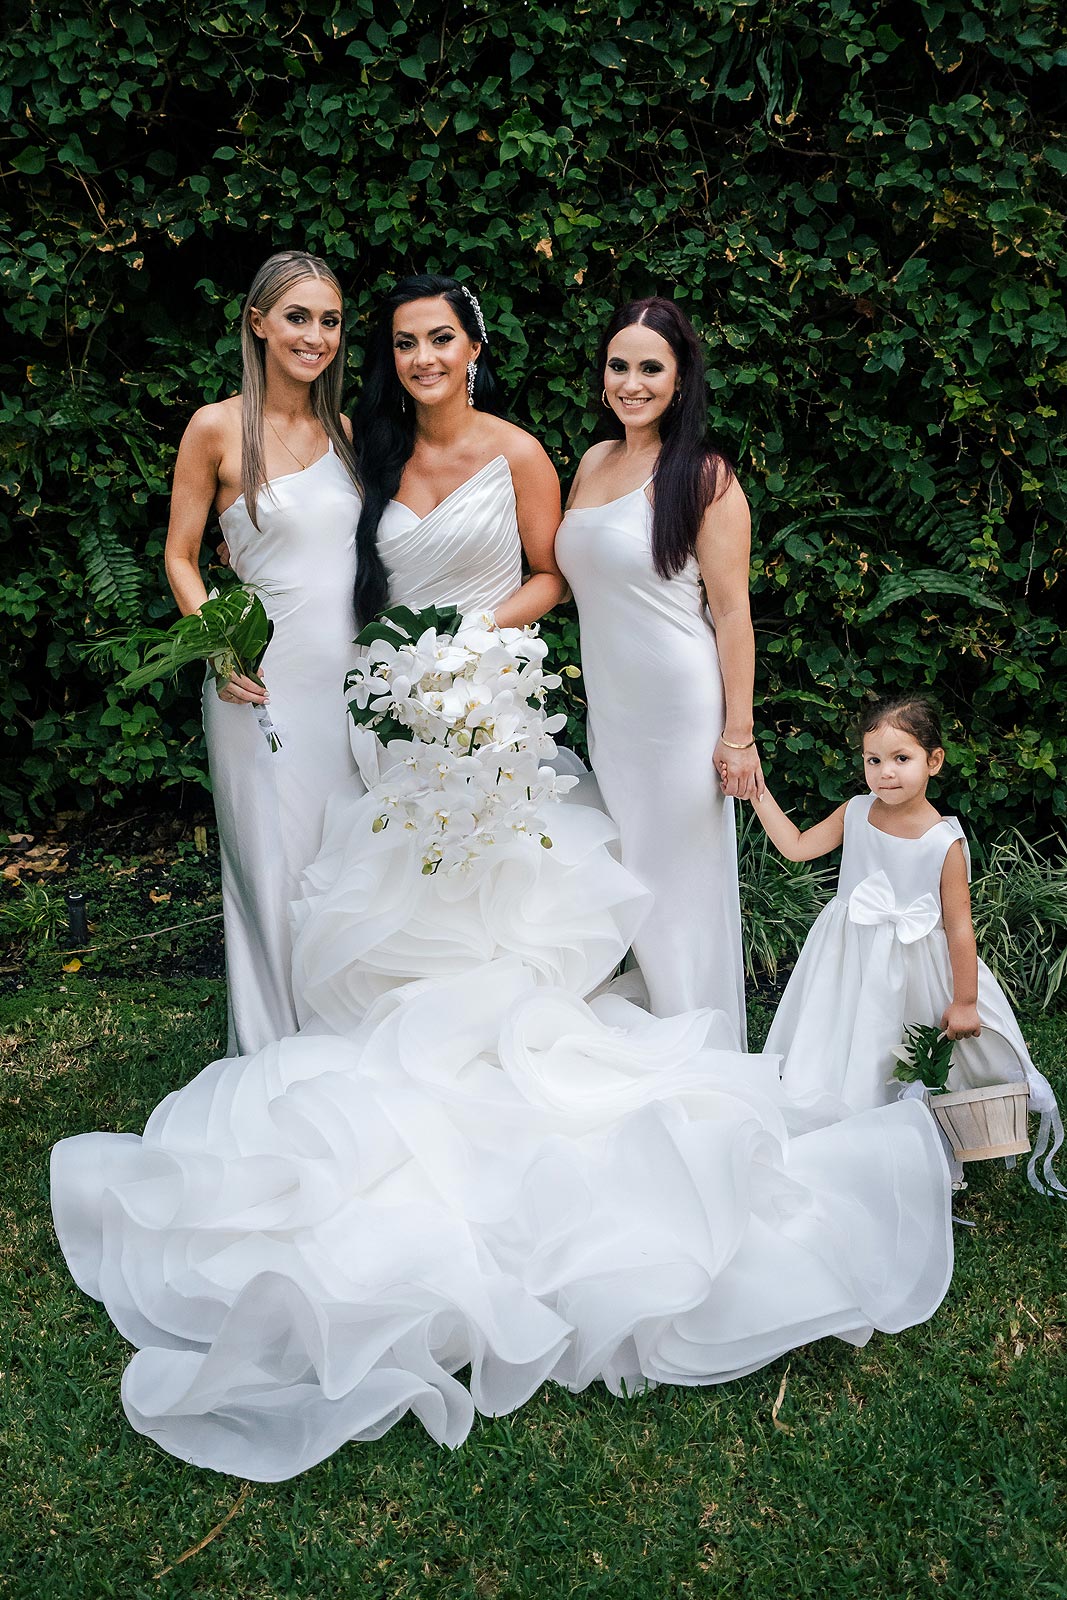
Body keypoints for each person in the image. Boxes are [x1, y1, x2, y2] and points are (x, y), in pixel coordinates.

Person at [51, 282, 955, 1485]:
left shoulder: (533, 453)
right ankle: (359, 1049)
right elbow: (323, 570)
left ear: (476, 349)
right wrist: (376, 659)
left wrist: (472, 648)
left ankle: (638, 1061)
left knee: (523, 916)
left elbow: (552, 575)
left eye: (442, 338)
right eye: (403, 341)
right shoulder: (366, 454)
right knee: (385, 895)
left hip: (491, 708)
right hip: (398, 720)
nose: (421, 356)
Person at [164, 250, 363, 1056]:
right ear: (257, 321)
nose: (314, 336)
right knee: (271, 866)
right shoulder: (216, 427)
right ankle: (277, 1049)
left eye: (329, 320)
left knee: (343, 857)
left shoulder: (347, 434)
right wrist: (219, 649)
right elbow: (180, 556)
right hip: (259, 681)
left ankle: (343, 1031)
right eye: (297, 317)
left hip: (348, 682)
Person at [555, 297, 760, 1043]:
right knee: (624, 877)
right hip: (612, 711)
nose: (631, 383)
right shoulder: (591, 463)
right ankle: (642, 1043)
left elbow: (731, 614)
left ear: (679, 380)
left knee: (676, 887)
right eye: (618, 365)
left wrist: (736, 735)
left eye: (650, 367)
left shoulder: (703, 476)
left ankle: (700, 1048)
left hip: (678, 711)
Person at [751, 695, 1062, 1185]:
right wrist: (757, 793)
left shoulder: (944, 841)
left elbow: (959, 926)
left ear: (933, 761)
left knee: (907, 1046)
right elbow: (796, 846)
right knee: (843, 1038)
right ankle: (842, 1126)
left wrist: (964, 1000)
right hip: (848, 956)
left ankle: (916, 1138)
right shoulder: (854, 811)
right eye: (874, 760)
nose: (885, 773)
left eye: (901, 759)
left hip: (918, 963)